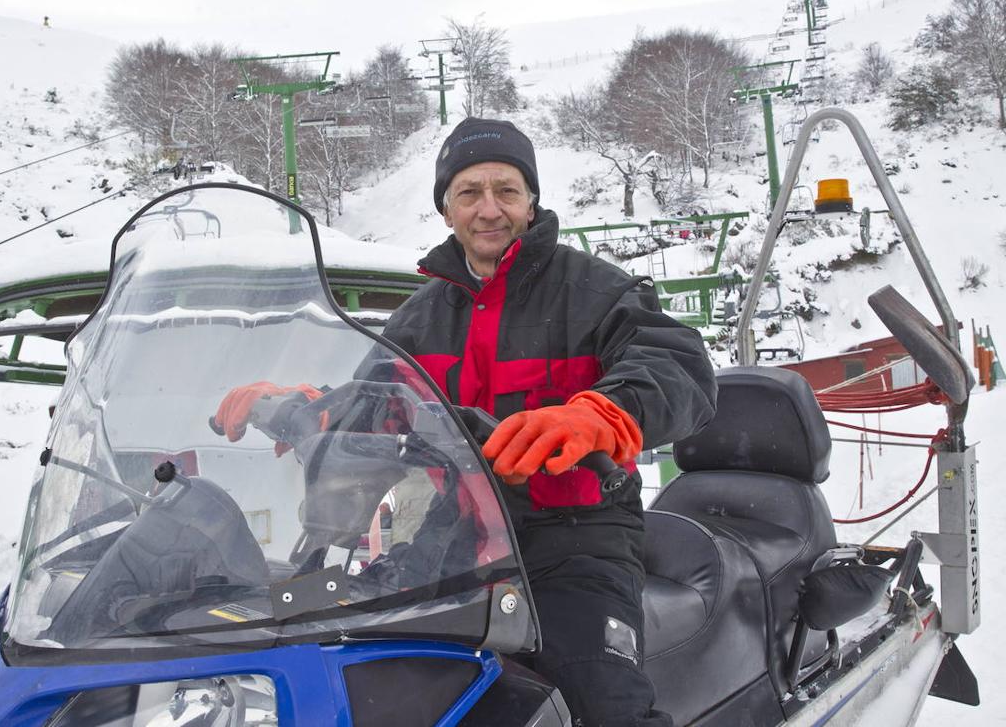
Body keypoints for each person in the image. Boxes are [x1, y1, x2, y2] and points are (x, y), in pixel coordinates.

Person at [217, 118, 717, 727]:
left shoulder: (596, 291)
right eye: (469, 192)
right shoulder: (421, 316)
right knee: (359, 662)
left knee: (600, 700)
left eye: (506, 190)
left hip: (577, 533)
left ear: (531, 204)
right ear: (446, 209)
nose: (489, 209)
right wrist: (306, 405)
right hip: (456, 534)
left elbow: (677, 365)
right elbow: (376, 405)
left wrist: (599, 413)